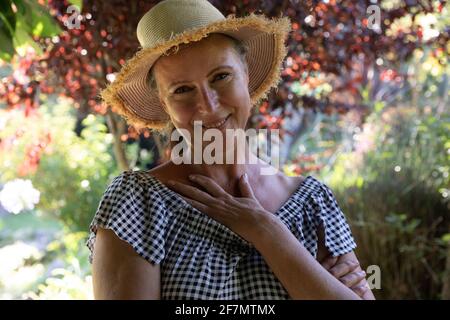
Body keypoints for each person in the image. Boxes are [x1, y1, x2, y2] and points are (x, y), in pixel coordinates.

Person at [86, 0, 375, 300]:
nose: (208, 107)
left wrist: (266, 230)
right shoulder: (138, 203)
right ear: (164, 104)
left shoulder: (313, 203)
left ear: (246, 75)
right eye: (182, 90)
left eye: (221, 77)